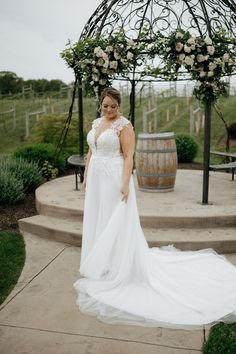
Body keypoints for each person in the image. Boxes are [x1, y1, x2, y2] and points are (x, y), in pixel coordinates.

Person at [73, 87, 236, 329]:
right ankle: (101, 263)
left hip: (114, 178)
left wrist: (126, 183)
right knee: (99, 219)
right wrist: (86, 176)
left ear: (119, 106)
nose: (108, 110)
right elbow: (91, 151)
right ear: (100, 104)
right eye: (105, 105)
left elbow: (129, 157)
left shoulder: (124, 126)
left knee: (113, 220)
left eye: (113, 106)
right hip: (96, 179)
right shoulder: (97, 123)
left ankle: (117, 266)